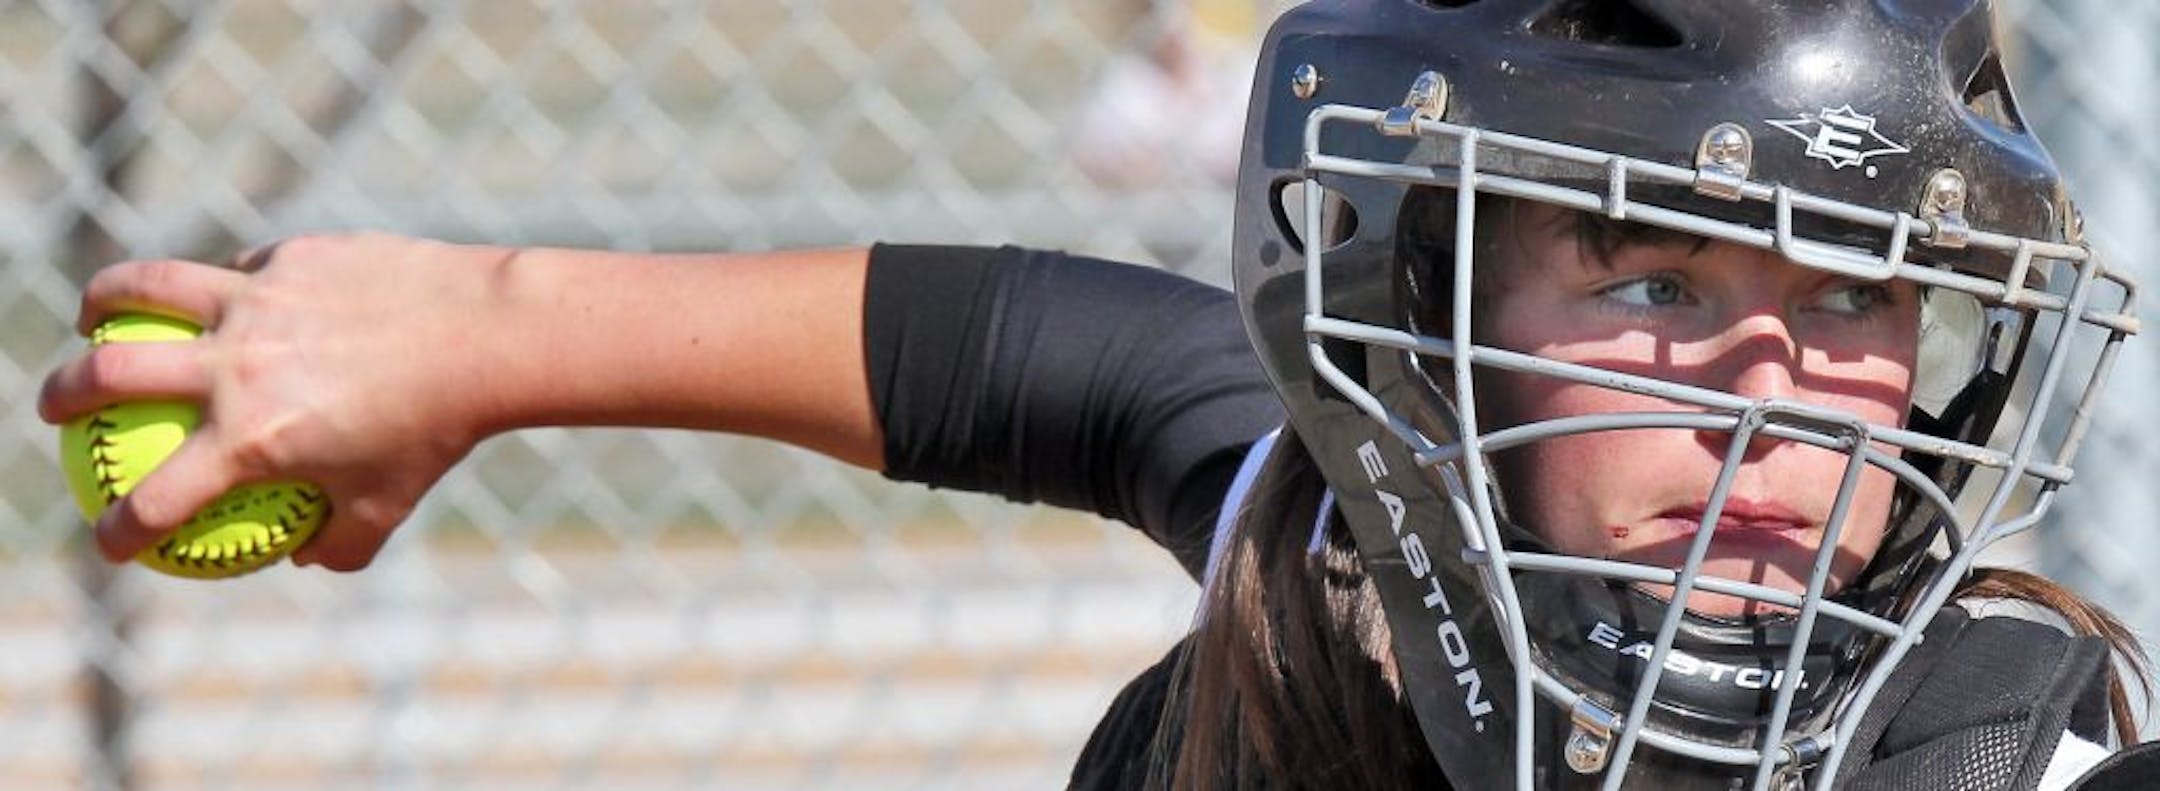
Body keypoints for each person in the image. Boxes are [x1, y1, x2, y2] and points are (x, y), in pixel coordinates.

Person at [36, 1, 2160, 788]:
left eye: (1872, 283)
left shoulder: (1991, 753)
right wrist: (468, 333)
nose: (1775, 390)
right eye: (1650, 267)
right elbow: (1026, 351)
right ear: (1426, 308)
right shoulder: (1336, 607)